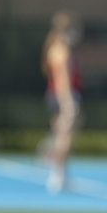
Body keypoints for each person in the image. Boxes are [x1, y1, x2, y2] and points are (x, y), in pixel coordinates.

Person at [41, 10, 82, 193]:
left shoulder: (59, 48)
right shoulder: (60, 50)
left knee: (63, 135)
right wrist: (67, 101)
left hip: (59, 95)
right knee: (64, 137)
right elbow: (62, 78)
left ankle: (61, 172)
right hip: (62, 95)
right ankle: (57, 174)